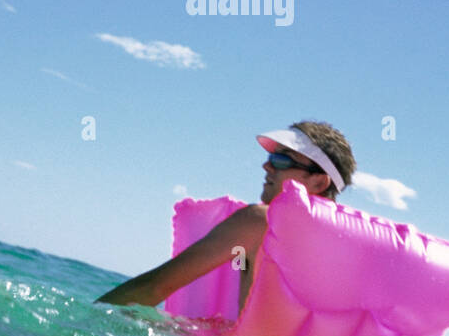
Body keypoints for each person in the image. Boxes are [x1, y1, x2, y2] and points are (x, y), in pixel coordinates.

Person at [95, 121, 356, 312]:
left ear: (319, 182)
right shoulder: (348, 252)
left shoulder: (260, 222)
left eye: (281, 160)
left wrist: (80, 325)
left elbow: (152, 288)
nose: (267, 165)